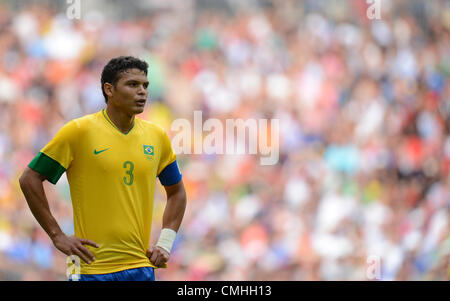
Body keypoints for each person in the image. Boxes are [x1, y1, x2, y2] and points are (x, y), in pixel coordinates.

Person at [18, 56, 187, 281]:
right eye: (133, 85)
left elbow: (177, 192)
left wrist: (165, 242)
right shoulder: (79, 131)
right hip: (90, 269)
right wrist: (57, 235)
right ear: (109, 89)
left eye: (145, 85)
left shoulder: (157, 137)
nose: (142, 92)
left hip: (139, 267)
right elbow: (29, 178)